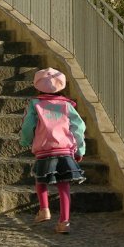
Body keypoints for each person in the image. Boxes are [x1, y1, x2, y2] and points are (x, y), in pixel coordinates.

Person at [19, 67, 86, 234]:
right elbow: (78, 127)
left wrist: (26, 140)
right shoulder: (66, 105)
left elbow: (28, 125)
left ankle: (44, 209)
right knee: (64, 185)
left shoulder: (35, 104)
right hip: (64, 148)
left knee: (40, 178)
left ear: (37, 86)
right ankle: (64, 222)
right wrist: (80, 149)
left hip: (44, 148)